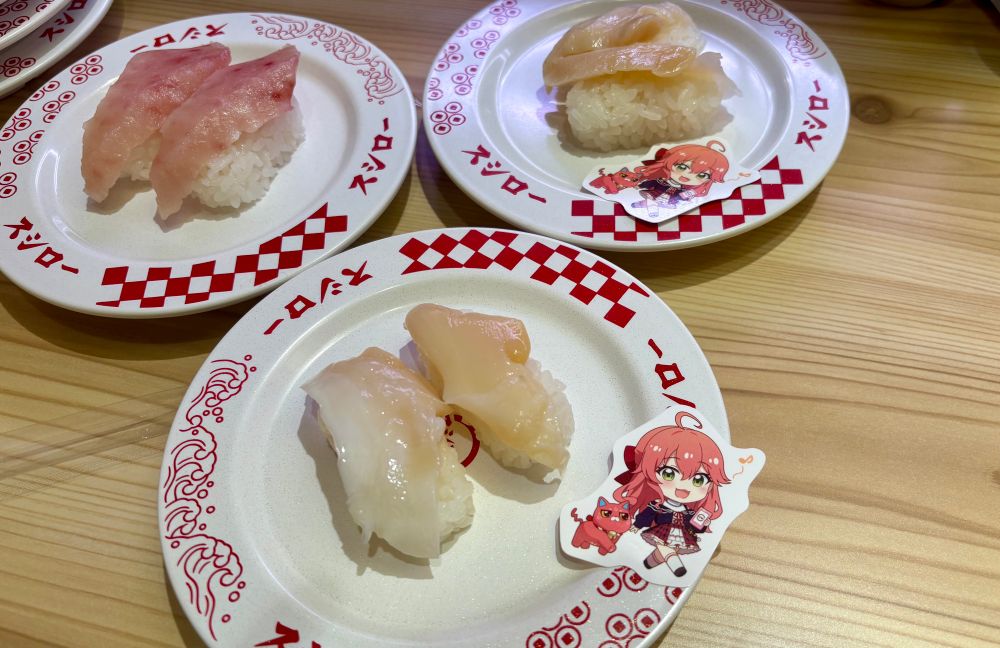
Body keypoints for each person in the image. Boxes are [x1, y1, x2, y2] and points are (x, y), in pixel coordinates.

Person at [613, 411, 731, 577]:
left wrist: (702, 524)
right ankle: (675, 565)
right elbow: (647, 515)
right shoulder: (657, 506)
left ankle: (648, 564)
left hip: (681, 535)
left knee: (665, 550)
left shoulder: (689, 512)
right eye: (669, 474)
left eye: (698, 480)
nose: (683, 487)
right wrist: (637, 525)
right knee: (667, 549)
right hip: (661, 531)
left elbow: (694, 525)